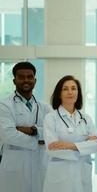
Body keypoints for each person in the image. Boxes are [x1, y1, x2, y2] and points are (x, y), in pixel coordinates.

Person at [42, 75, 97, 192]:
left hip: (82, 174)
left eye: (74, 88)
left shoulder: (86, 118)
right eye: (65, 89)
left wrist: (69, 145)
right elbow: (52, 148)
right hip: (60, 175)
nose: (70, 92)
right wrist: (84, 146)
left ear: (78, 93)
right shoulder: (51, 118)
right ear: (59, 94)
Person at [0, 61, 52, 192]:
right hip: (14, 168)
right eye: (21, 77)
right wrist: (40, 139)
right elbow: (8, 135)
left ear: (35, 80)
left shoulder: (44, 107)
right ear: (14, 80)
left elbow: (54, 133)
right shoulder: (4, 105)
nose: (26, 80)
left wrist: (32, 130)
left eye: (29, 77)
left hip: (39, 166)